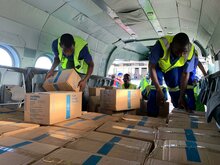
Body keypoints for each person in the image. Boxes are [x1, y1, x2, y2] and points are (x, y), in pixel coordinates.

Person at [148, 32, 196, 117]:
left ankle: (179, 112)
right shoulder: (162, 45)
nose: (181, 55)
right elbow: (152, 67)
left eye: (183, 52)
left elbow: (185, 73)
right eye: (178, 51)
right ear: (171, 45)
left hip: (172, 67)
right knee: (155, 89)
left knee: (174, 88)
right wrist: (159, 90)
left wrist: (181, 96)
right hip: (158, 67)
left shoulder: (191, 50)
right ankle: (152, 117)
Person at [46, 33, 94, 111]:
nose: (68, 53)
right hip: (68, 64)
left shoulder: (82, 49)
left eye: (71, 50)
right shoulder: (55, 45)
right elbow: (57, 58)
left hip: (81, 67)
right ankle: (68, 109)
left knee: (83, 89)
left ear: (74, 44)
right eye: (65, 51)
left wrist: (85, 80)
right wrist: (51, 70)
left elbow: (91, 65)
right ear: (61, 46)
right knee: (66, 86)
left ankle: (84, 111)